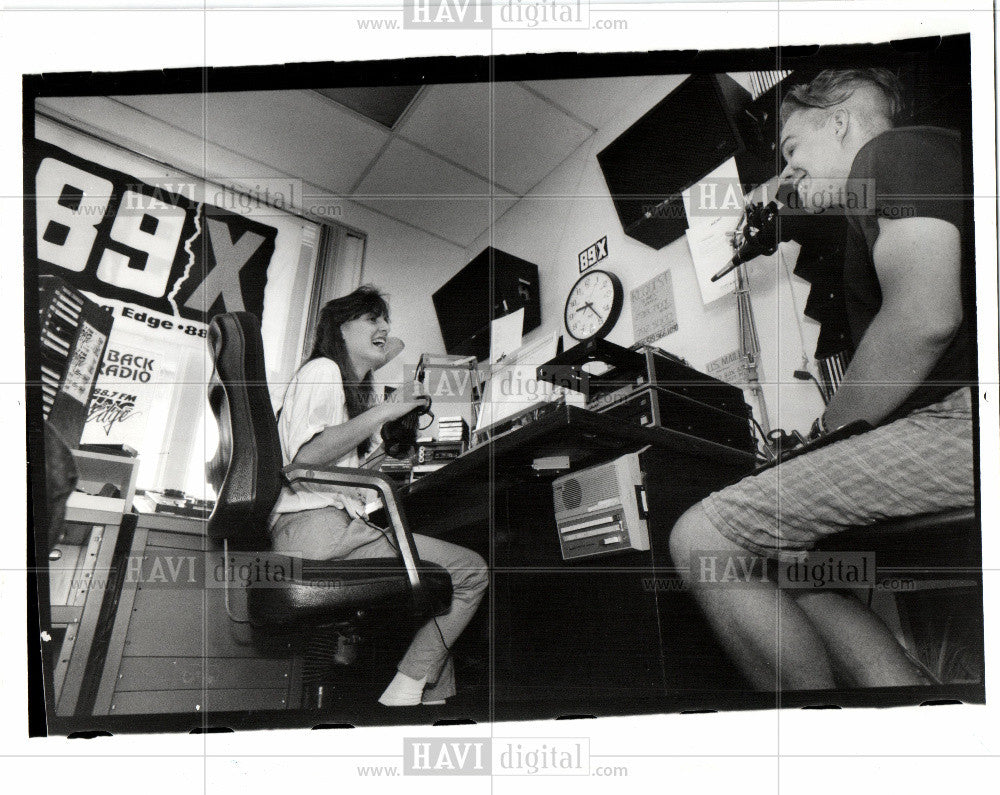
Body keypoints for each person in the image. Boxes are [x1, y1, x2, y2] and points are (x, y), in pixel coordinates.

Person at [668, 69, 976, 690]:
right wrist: (785, 185)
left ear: (839, 119)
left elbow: (923, 317)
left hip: (968, 422)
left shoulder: (890, 151)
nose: (788, 170)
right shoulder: (918, 166)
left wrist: (822, 435)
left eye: (790, 148)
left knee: (703, 536)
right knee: (794, 566)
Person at [269, 285, 489, 706]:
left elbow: (327, 469)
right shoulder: (323, 370)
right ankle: (404, 693)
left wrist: (386, 438)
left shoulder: (340, 385)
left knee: (432, 585)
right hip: (317, 533)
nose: (385, 327)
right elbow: (305, 460)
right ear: (340, 327)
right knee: (471, 571)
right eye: (372, 318)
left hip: (309, 532)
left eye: (384, 319)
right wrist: (388, 408)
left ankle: (428, 701)